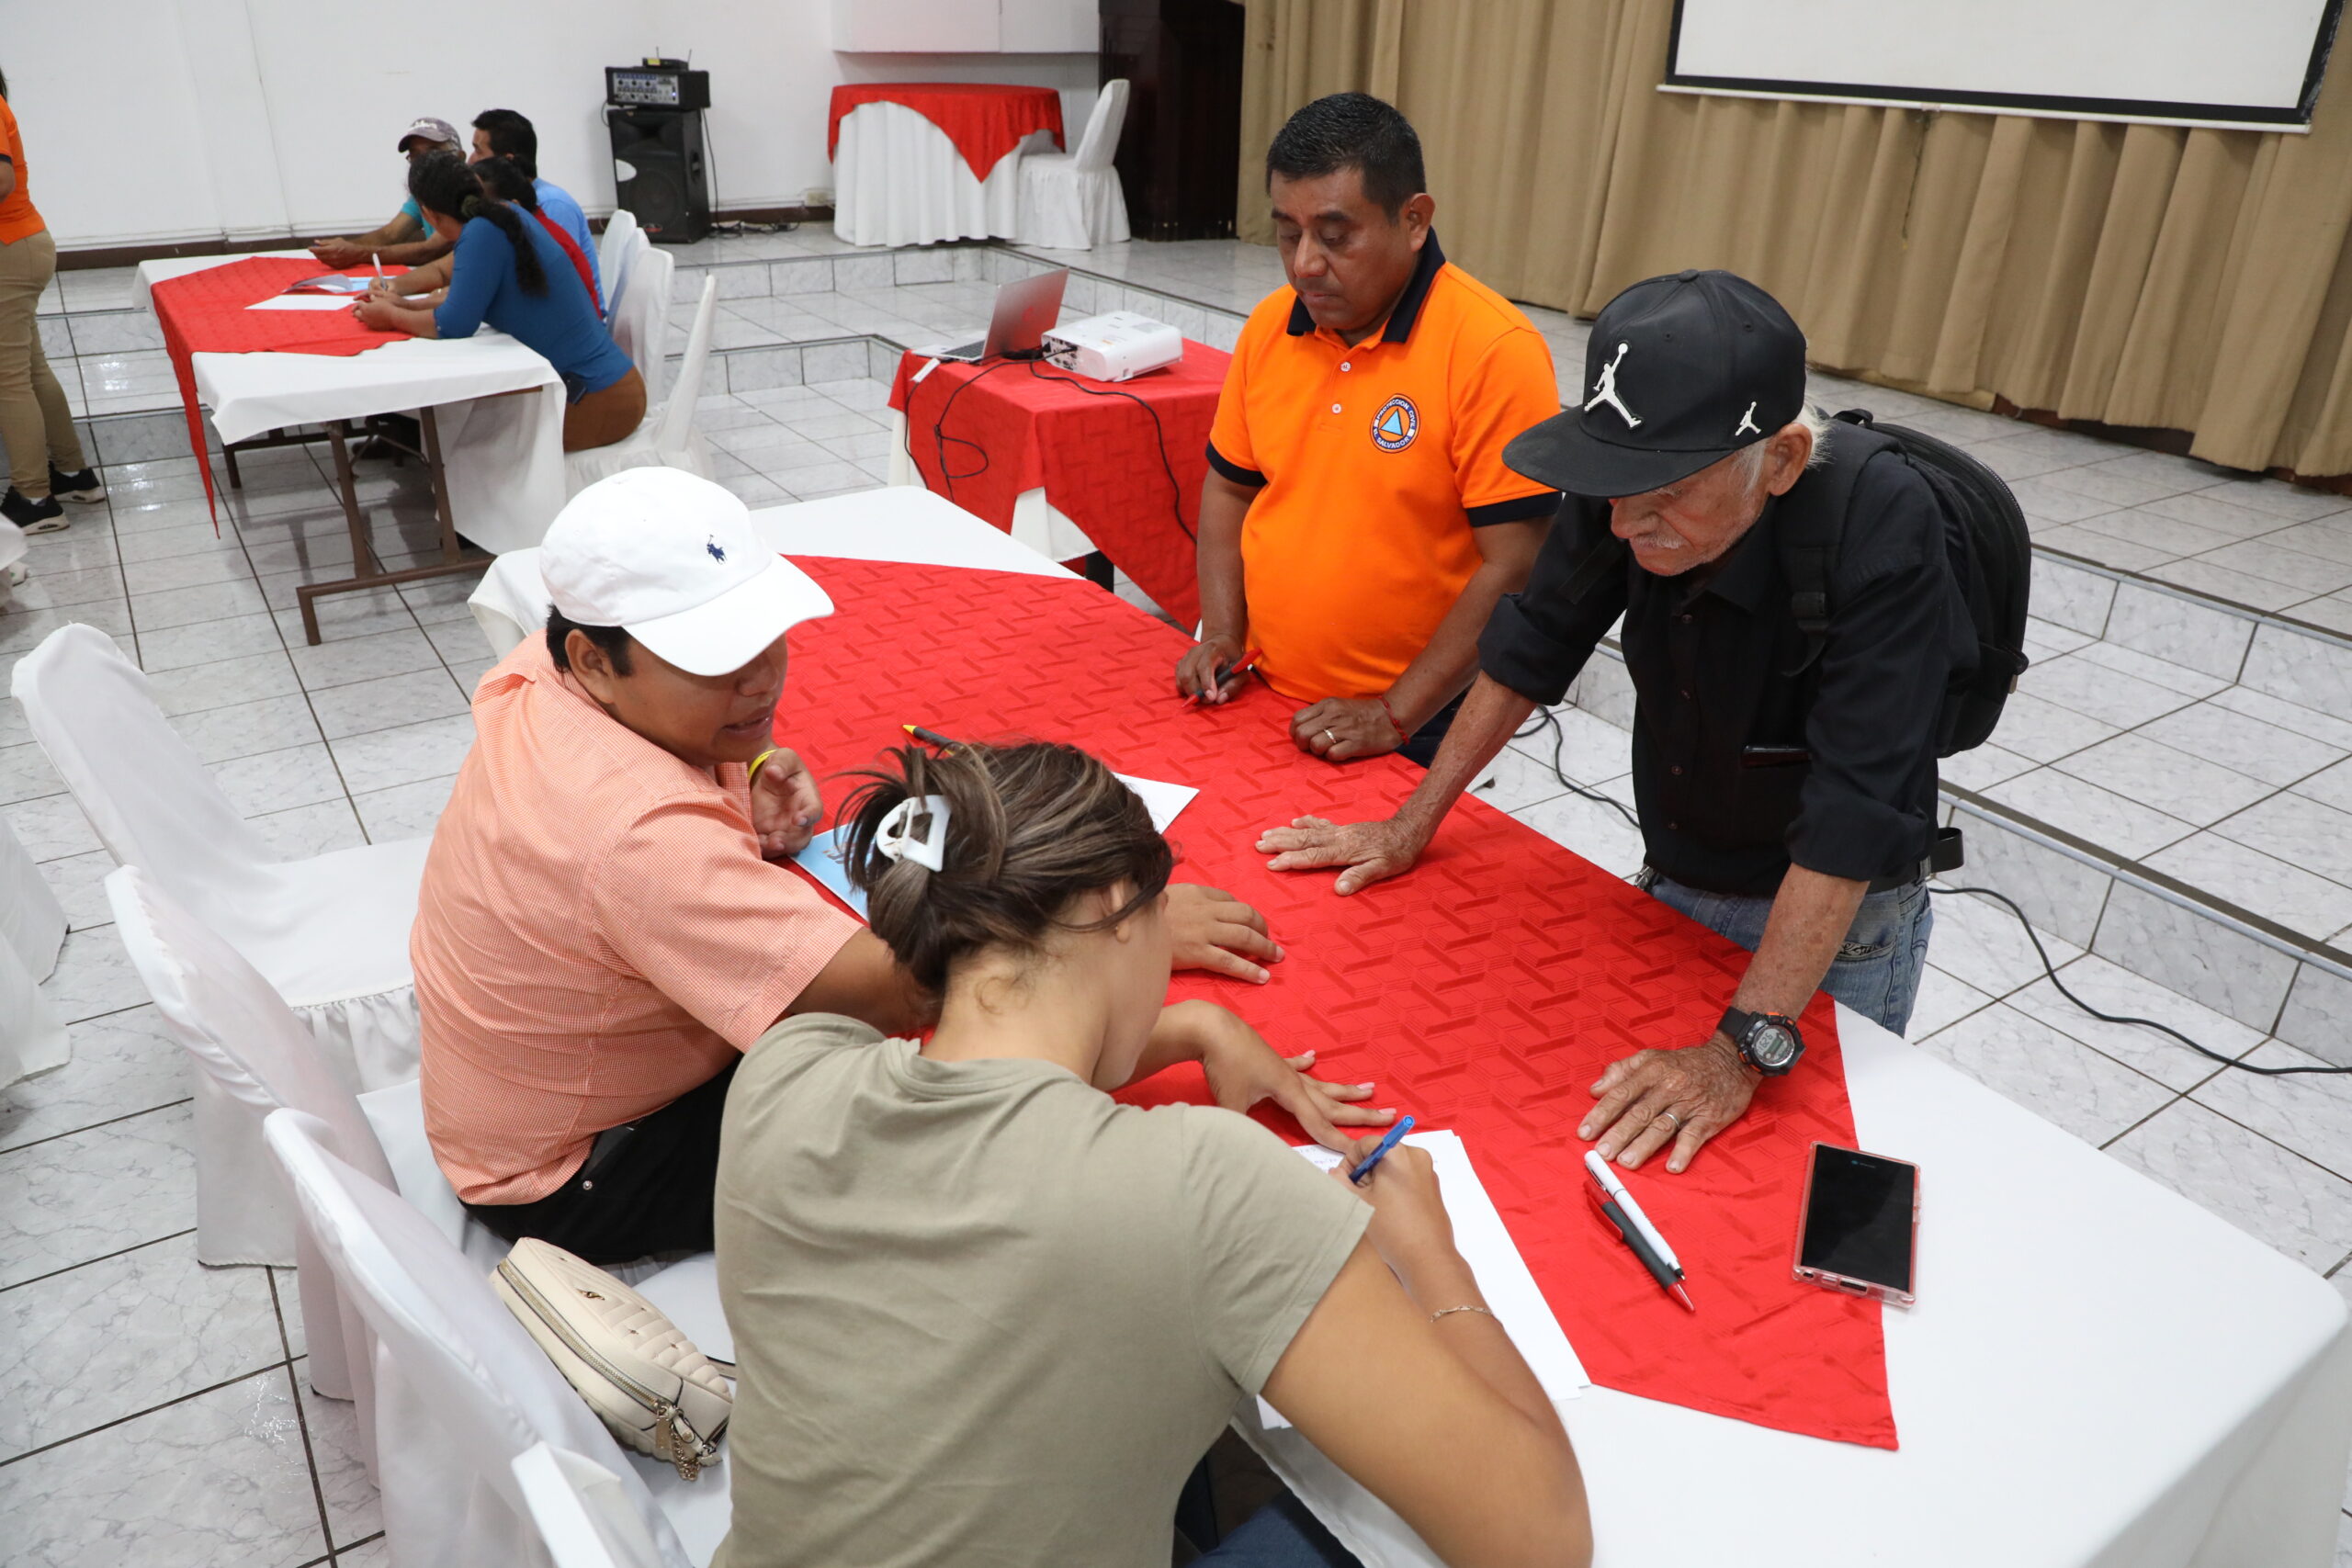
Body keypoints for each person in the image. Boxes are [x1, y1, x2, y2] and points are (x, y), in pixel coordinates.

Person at [411, 469, 1334, 1262]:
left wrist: (745, 774)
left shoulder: (545, 667)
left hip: (521, 1098)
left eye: (766, 637)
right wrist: (1120, 934)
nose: (762, 679)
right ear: (593, 658)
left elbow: (636, 816)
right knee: (949, 1082)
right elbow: (903, 991)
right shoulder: (638, 836)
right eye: (716, 660)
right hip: (582, 1169)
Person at [713, 739, 1592, 1568]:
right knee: (1338, 1525)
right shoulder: (1204, 1183)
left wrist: (1193, 1025)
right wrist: (1431, 1256)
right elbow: (1540, 1538)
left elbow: (980, 1072)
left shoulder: (782, 1077)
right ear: (1114, 904)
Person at [1259, 270, 1973, 1178]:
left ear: (1782, 461)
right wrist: (1409, 825)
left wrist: (1739, 1050)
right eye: (1614, 488)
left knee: (1793, 1174)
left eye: (1666, 491)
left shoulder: (1882, 525)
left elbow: (1854, 811)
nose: (1627, 522)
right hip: (1681, 866)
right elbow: (1530, 644)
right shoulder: (1628, 485)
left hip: (1838, 918)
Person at [1175, 94, 1563, 768]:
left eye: (1334, 236)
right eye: (1288, 234)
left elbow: (1516, 564)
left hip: (1410, 717)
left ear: (1414, 221)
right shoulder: (1270, 325)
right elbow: (1230, 489)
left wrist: (1395, 713)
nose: (1305, 264)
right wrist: (1225, 634)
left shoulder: (1493, 349)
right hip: (1257, 688)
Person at [352, 152, 642, 453]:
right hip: (608, 388)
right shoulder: (503, 215)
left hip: (597, 399)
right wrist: (402, 305)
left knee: (469, 444)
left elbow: (452, 325)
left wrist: (391, 317)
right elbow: (462, 298)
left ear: (428, 214)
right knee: (471, 431)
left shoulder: (482, 232)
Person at [0, 66, 103, 536]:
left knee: (8, 380)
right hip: (19, 247)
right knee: (30, 370)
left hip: (8, 250)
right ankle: (71, 474)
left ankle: (35, 499)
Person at [376, 107, 604, 315]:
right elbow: (446, 270)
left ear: (507, 162)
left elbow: (552, 288)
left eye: (478, 150)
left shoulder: (549, 205)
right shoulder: (497, 214)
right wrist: (393, 285)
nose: (470, 159)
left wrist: (404, 308)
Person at [308, 117, 463, 272]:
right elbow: (390, 234)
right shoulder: (424, 192)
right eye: (416, 155)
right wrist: (343, 248)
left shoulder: (466, 192)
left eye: (434, 152)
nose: (424, 162)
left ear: (460, 157)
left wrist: (357, 253)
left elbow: (430, 250)